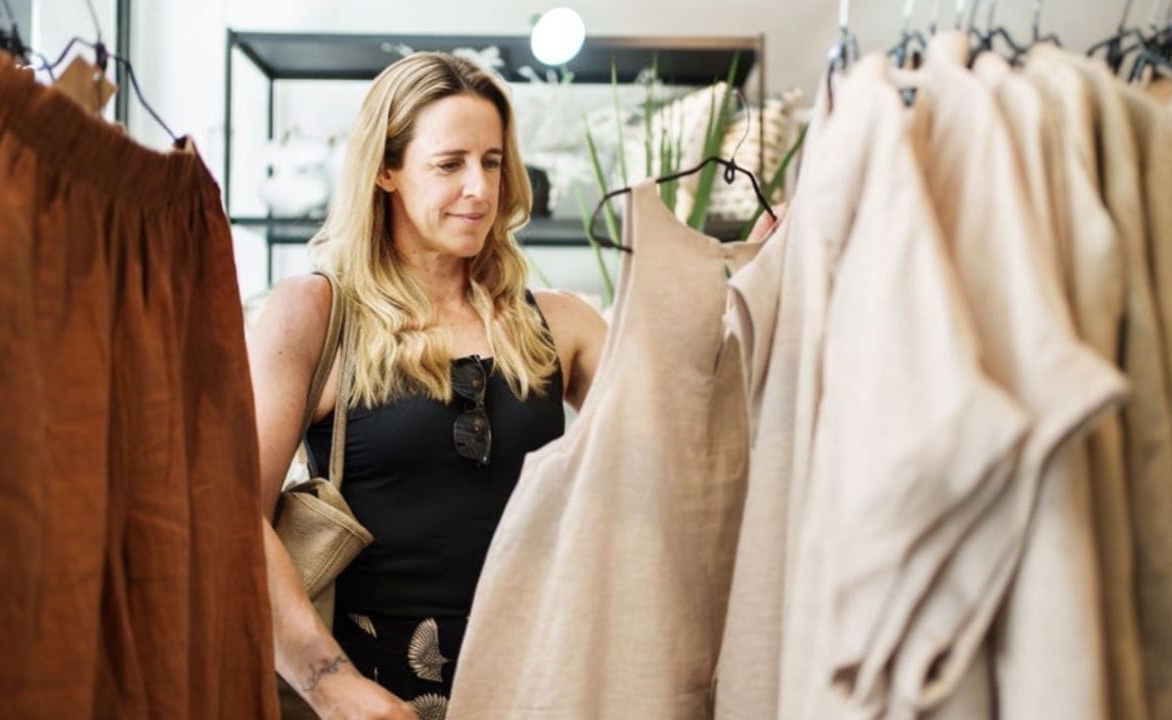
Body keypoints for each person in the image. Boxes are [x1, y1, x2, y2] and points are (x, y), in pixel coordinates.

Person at [250, 51, 783, 720]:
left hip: (537, 684)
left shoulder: (556, 324)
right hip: (369, 698)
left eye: (493, 161)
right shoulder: (316, 315)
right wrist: (330, 686)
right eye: (450, 164)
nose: (479, 188)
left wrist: (760, 281)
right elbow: (236, 515)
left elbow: (689, 431)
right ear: (386, 170)